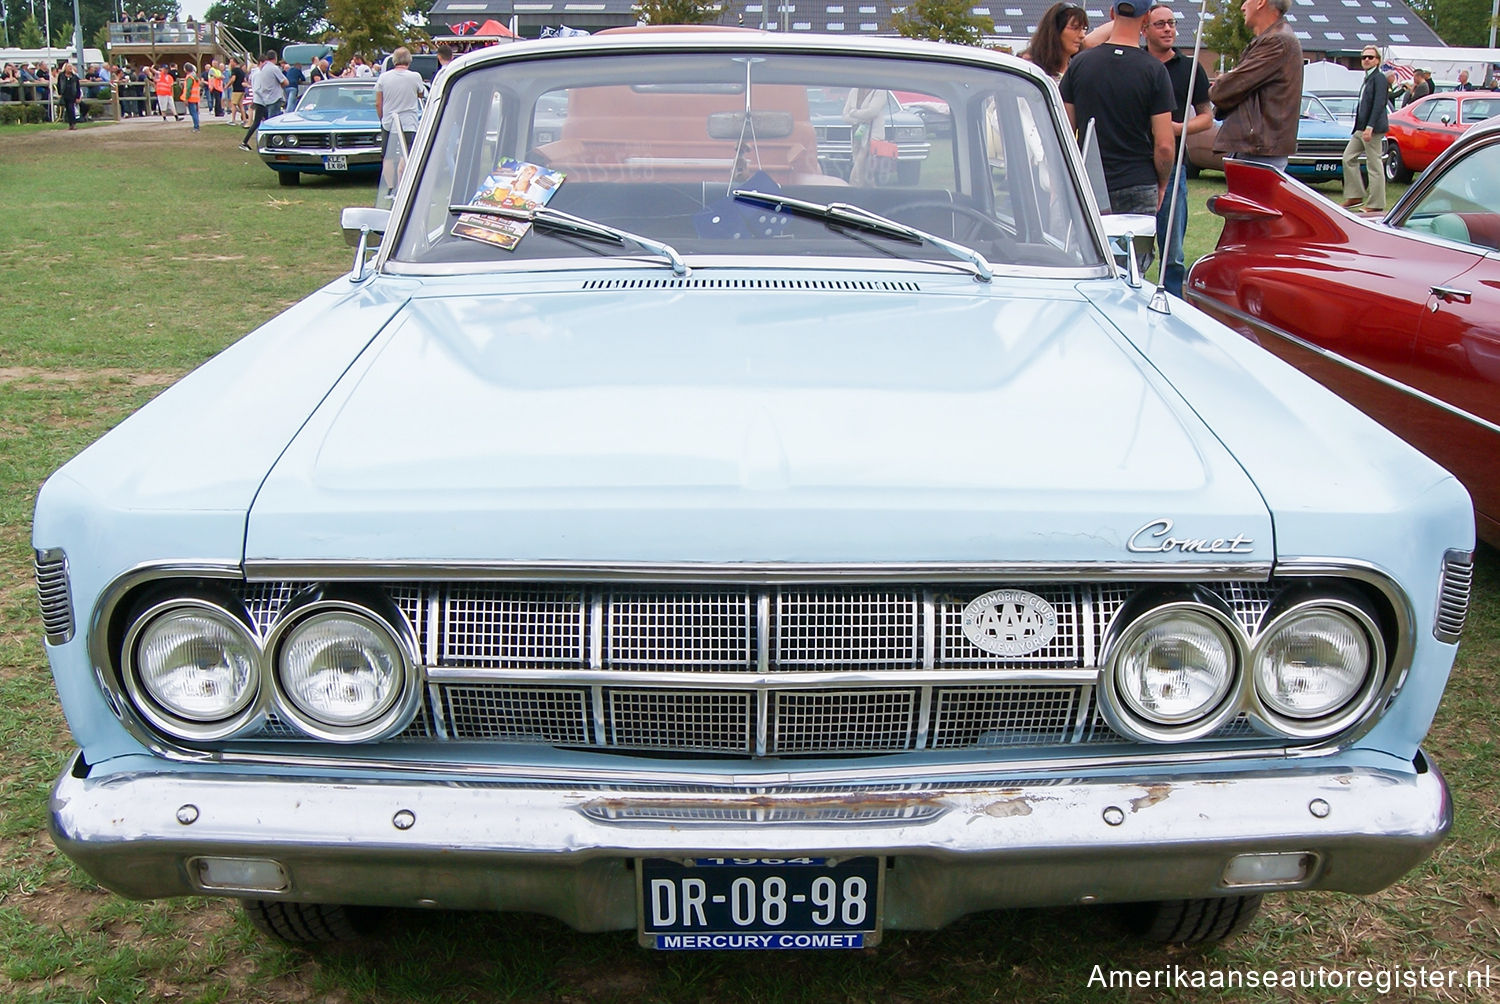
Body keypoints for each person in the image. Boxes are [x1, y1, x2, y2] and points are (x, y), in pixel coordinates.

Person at [1060, 0, 1175, 215]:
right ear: (1146, 18)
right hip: (1138, 180)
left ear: (1112, 13)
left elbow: (1064, 130)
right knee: (1136, 249)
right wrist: (1162, 183)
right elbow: (1165, 145)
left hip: (1089, 180)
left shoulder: (1079, 65)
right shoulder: (1155, 70)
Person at [1143, 3, 1210, 296]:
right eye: (1160, 24)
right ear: (1144, 29)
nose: (1168, 28)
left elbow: (1207, 116)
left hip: (1174, 168)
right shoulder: (1135, 63)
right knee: (1134, 246)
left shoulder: (1190, 69)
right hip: (1136, 168)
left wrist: (1179, 129)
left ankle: (1171, 302)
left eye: (1171, 23)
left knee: (1173, 252)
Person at [1207, 0, 1302, 172]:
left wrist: (1223, 82)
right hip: (1258, 148)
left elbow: (1223, 90)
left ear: (1260, 2)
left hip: (1259, 151)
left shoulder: (1276, 42)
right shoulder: (1275, 39)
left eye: (1246, 1)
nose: (1242, 7)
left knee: (1254, 198)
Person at [1340, 46, 1388, 213]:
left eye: (1370, 57)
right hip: (1360, 128)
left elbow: (1379, 104)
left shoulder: (1379, 78)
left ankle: (1376, 204)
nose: (1366, 60)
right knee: (1348, 158)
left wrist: (1370, 127)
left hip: (1371, 129)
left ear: (1377, 60)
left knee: (1374, 164)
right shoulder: (1368, 78)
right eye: (1364, 57)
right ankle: (1355, 195)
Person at [375, 47, 428, 156]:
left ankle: (389, 173)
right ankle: (403, 172)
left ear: (394, 60)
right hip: (409, 122)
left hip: (389, 122)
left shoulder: (383, 77)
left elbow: (378, 103)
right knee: (408, 155)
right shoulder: (415, 76)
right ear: (409, 60)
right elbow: (421, 94)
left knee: (388, 157)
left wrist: (382, 118)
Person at [1024, 3, 1089, 82]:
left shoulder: (1080, 70)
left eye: (1083, 29)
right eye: (1075, 28)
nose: (1082, 35)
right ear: (1056, 31)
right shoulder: (1030, 68)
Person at [841, 87, 889, 186]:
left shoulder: (880, 91)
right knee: (866, 174)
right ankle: (870, 194)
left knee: (856, 173)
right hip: (857, 137)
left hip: (872, 138)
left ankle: (852, 189)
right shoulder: (854, 90)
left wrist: (853, 113)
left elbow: (872, 112)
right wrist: (859, 119)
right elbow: (845, 115)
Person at [240, 51, 286, 152]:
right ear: (260, 62)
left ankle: (250, 142)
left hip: (263, 100)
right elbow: (257, 88)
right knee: (263, 121)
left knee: (262, 121)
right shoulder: (258, 73)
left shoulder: (260, 72)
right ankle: (249, 142)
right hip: (261, 101)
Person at [58, 62, 81, 130]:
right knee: (68, 110)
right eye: (68, 67)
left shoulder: (75, 77)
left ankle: (73, 124)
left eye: (71, 67)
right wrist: (59, 93)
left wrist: (78, 96)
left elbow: (78, 87)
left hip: (72, 95)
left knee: (71, 109)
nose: (70, 68)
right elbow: (58, 84)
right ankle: (70, 124)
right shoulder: (61, 75)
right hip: (64, 95)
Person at [181, 62, 201, 131]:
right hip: (196, 97)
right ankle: (197, 125)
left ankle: (196, 127)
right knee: (195, 112)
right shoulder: (195, 76)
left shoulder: (190, 77)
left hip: (191, 98)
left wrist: (186, 98)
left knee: (193, 113)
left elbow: (188, 88)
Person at [228, 57, 247, 125]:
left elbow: (233, 79)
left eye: (231, 62)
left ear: (234, 62)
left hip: (236, 90)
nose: (230, 63)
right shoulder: (241, 71)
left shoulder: (234, 70)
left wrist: (227, 85)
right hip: (242, 89)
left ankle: (233, 120)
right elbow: (245, 80)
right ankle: (244, 119)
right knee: (241, 105)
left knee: (233, 104)